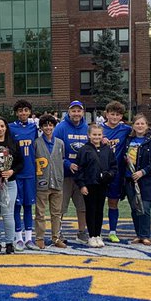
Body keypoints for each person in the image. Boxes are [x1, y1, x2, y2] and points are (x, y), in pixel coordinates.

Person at [54, 100, 91, 244]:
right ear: (68, 112)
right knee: (61, 206)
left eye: (79, 111)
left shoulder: (86, 127)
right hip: (65, 174)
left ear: (83, 112)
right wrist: (67, 163)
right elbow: (55, 150)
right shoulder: (61, 128)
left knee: (82, 206)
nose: (76, 114)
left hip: (81, 176)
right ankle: (58, 232)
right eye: (73, 111)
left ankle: (82, 232)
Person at [0, 116, 24, 254]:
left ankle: (9, 242)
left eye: (2, 126)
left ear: (6, 127)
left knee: (8, 214)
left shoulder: (13, 143)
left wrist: (12, 171)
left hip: (10, 183)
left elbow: (21, 163)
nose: (0, 129)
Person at [123, 113, 151, 244]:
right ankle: (138, 234)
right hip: (130, 179)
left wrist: (142, 172)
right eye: (137, 123)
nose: (140, 126)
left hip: (146, 180)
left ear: (147, 126)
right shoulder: (128, 140)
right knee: (134, 208)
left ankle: (145, 235)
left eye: (142, 124)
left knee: (145, 208)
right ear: (133, 126)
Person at [75, 123, 115, 247]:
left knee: (100, 210)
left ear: (102, 135)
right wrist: (82, 185)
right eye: (94, 134)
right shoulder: (84, 150)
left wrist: (109, 175)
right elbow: (79, 169)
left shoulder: (107, 150)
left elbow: (114, 166)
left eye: (99, 134)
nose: (96, 137)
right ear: (89, 135)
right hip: (89, 185)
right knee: (91, 210)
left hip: (102, 185)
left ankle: (98, 234)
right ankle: (91, 235)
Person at [9, 100, 39, 250]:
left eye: (26, 110)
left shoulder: (34, 128)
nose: (23, 113)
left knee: (28, 206)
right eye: (20, 111)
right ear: (16, 113)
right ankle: (18, 238)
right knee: (16, 206)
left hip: (30, 173)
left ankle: (28, 238)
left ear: (30, 112)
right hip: (16, 173)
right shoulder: (10, 127)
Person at [101, 101, 132, 243]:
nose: (114, 117)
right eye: (112, 114)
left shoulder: (125, 129)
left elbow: (141, 130)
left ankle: (112, 231)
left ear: (121, 116)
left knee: (113, 202)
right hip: (100, 171)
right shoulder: (99, 129)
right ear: (106, 114)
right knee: (98, 202)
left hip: (117, 172)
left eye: (117, 114)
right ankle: (96, 230)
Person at [33, 113, 66, 248]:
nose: (48, 128)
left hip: (57, 182)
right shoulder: (36, 143)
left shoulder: (60, 143)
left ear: (54, 126)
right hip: (42, 182)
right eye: (45, 125)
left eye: (50, 125)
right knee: (40, 212)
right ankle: (39, 237)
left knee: (56, 213)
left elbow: (61, 159)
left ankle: (56, 237)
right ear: (41, 127)